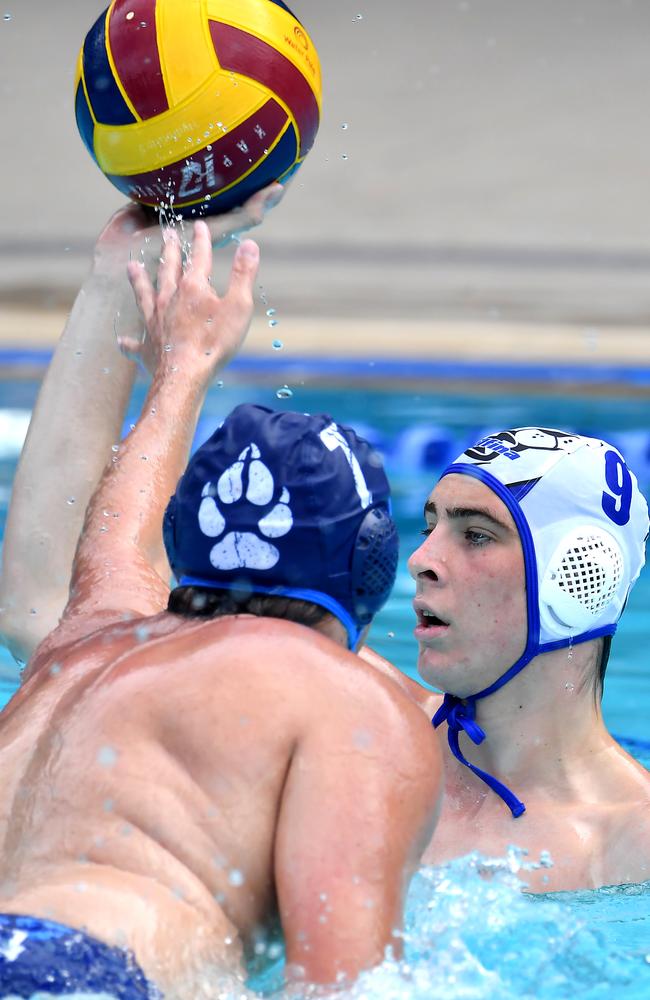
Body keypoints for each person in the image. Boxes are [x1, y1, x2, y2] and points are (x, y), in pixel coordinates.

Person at [0, 210, 441, 997]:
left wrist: (182, 371)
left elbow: (113, 545)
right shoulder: (354, 704)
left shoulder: (85, 637)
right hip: (70, 973)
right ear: (373, 564)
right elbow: (342, 987)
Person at [366, 426, 650, 891]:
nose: (420, 558)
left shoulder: (631, 849)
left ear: (578, 575)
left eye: (475, 535)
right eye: (429, 526)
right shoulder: (370, 721)